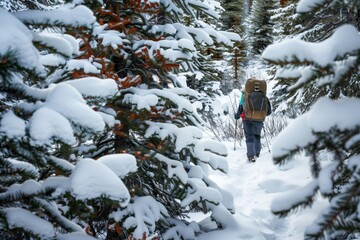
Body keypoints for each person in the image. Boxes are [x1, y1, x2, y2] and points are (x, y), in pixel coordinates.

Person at [234, 81, 271, 162]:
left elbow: (241, 106)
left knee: (249, 137)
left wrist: (237, 115)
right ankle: (257, 153)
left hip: (247, 119)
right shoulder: (263, 95)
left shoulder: (245, 95)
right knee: (257, 135)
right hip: (259, 119)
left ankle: (251, 156)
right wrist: (260, 114)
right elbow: (269, 112)